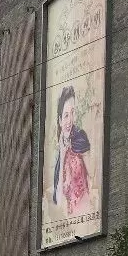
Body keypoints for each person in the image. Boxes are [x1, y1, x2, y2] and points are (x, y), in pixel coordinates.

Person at [50, 86, 92, 215]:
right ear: (60, 120)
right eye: (66, 115)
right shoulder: (59, 154)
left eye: (73, 113)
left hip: (83, 209)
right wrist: (62, 154)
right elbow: (57, 199)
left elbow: (93, 176)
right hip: (65, 215)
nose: (70, 120)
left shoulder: (80, 138)